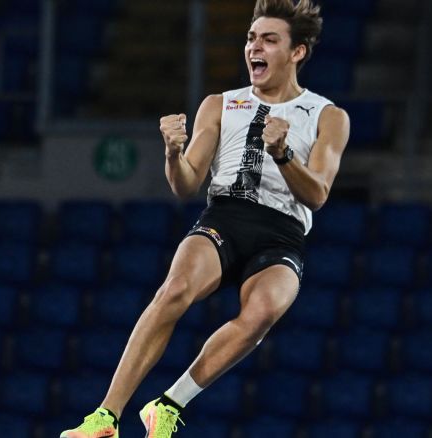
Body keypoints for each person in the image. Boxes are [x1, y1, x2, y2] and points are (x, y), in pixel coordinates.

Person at [61, 0, 350, 436]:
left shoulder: (328, 116)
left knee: (263, 312)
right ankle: (106, 416)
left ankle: (169, 404)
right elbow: (185, 183)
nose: (255, 47)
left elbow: (318, 194)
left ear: (297, 53)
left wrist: (284, 154)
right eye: (252, 38)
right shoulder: (220, 104)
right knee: (174, 289)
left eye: (270, 40)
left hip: (282, 234)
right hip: (227, 216)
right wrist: (173, 153)